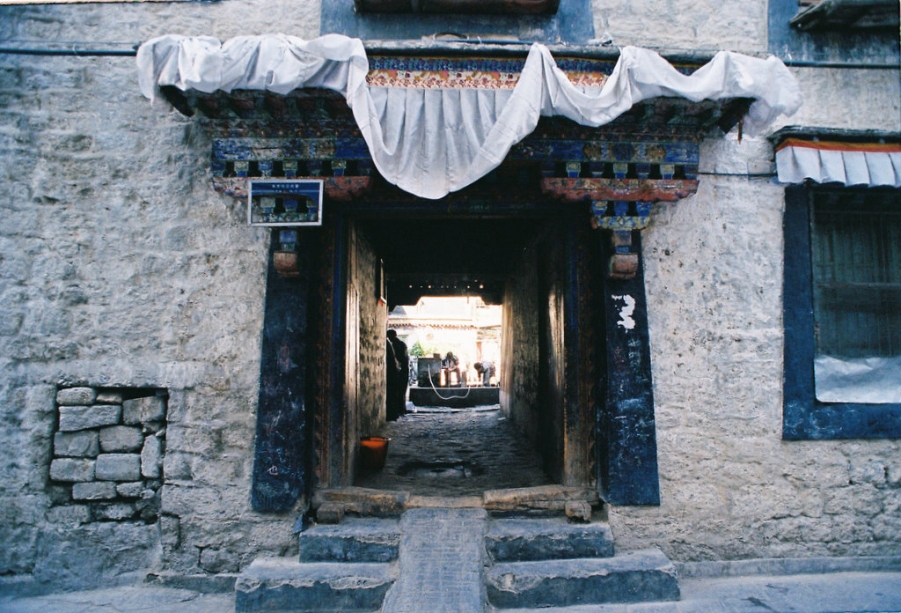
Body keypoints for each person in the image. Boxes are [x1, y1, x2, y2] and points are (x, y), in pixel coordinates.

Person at [387, 330, 408, 420]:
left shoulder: (396, 345)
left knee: (398, 391)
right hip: (403, 370)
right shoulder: (402, 344)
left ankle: (399, 410)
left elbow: (399, 359)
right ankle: (401, 409)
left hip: (400, 371)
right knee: (401, 391)